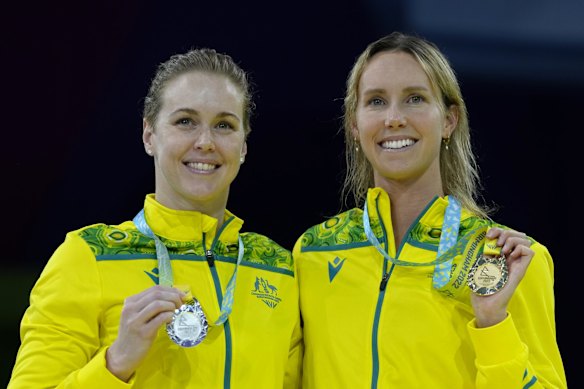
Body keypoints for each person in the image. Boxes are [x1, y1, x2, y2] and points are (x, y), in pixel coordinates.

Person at [9, 48, 302, 388]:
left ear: (243, 146)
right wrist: (116, 362)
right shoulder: (87, 257)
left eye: (224, 125)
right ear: (150, 135)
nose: (205, 142)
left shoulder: (277, 269)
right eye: (185, 122)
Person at [293, 32, 566, 388]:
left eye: (415, 99)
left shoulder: (505, 261)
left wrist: (492, 323)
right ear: (354, 125)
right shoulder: (313, 253)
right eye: (376, 101)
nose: (394, 118)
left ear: (449, 120)